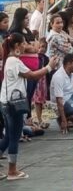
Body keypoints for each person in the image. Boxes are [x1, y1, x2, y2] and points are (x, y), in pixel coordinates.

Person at [0, 34, 58, 180]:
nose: (26, 44)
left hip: (5, 102)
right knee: (14, 137)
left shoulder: (10, 60)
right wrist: (49, 67)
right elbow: (32, 75)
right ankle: (12, 171)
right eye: (24, 42)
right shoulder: (14, 61)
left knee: (8, 137)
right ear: (18, 45)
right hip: (14, 104)